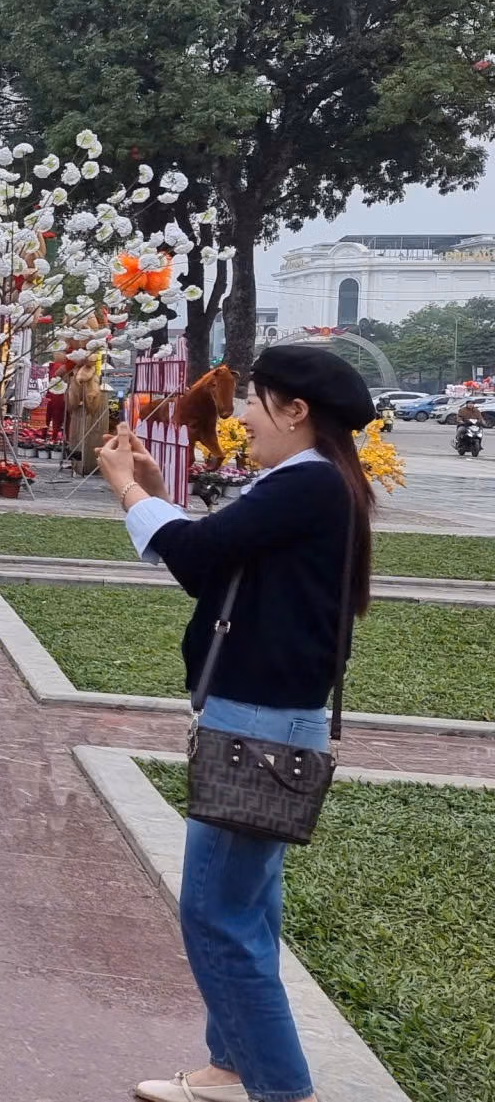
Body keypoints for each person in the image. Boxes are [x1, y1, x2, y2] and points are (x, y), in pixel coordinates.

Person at [98, 345, 375, 1102]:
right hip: (266, 722)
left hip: (260, 725)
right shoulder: (314, 482)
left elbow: (200, 552)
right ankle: (230, 1067)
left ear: (297, 411)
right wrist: (156, 495)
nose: (242, 416)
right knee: (246, 907)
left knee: (217, 914)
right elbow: (213, 566)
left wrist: (126, 486)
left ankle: (281, 1089)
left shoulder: (309, 483)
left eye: (255, 400)